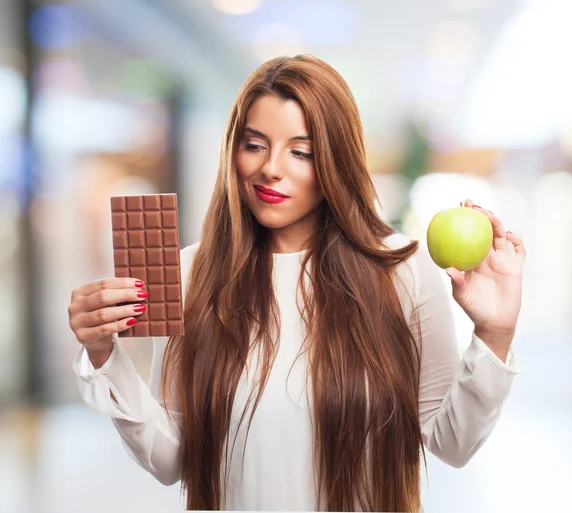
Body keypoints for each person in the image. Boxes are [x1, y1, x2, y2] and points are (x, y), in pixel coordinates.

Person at [68, 55, 525, 512]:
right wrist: (105, 357)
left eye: (300, 151)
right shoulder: (192, 273)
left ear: (336, 161)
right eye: (254, 145)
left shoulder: (402, 273)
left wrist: (495, 334)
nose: (271, 168)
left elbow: (452, 444)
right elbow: (171, 457)